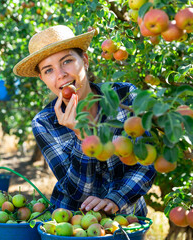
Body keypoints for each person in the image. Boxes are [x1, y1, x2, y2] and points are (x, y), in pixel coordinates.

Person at [13, 25, 156, 216]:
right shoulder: (45, 123)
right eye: (48, 70)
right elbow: (78, 192)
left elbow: (147, 161)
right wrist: (82, 136)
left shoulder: (124, 96)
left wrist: (116, 198)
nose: (60, 74)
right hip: (73, 223)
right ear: (42, 79)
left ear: (85, 60)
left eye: (67, 61)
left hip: (128, 218)